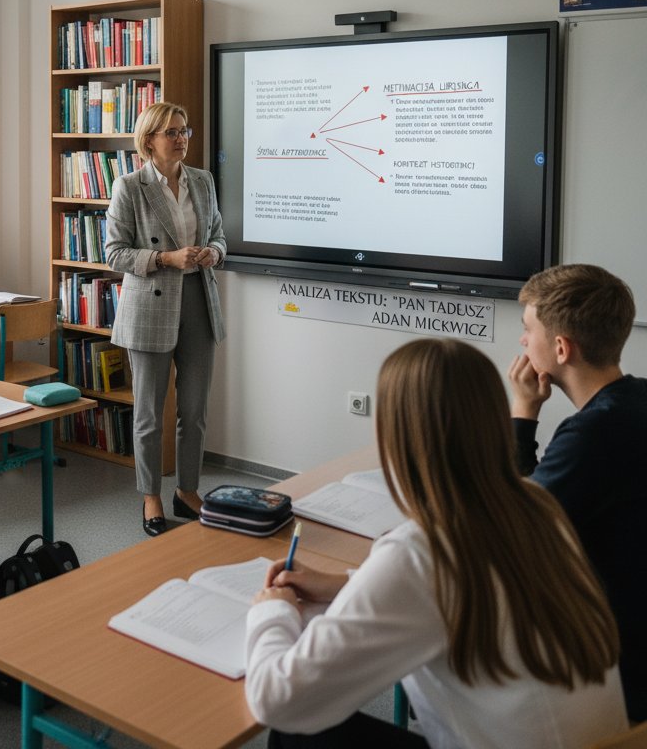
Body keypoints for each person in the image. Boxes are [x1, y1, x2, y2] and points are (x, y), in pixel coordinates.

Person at [245, 339, 628, 748]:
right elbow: (464, 587)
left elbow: (276, 700)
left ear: (396, 435)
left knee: (297, 731)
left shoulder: (422, 552)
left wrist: (273, 613)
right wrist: (346, 582)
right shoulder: (538, 507)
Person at [509, 264, 647, 721]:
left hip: (609, 661)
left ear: (562, 348)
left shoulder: (592, 435)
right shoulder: (636, 399)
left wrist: (523, 413)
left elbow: (515, 528)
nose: (524, 342)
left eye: (528, 330)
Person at [104, 102, 225, 537]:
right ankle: (151, 495)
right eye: (171, 132)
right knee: (150, 414)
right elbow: (114, 252)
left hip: (197, 298)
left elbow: (218, 234)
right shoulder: (130, 186)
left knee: (193, 410)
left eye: (184, 130)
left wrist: (213, 252)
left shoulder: (203, 181)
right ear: (149, 140)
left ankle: (187, 491)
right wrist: (164, 257)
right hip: (152, 302)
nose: (180, 138)